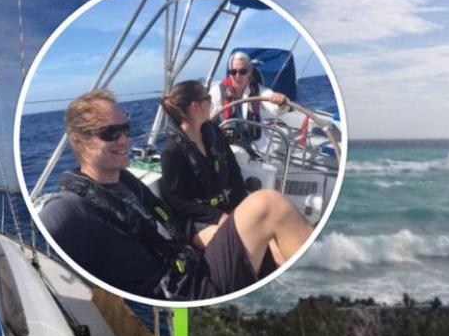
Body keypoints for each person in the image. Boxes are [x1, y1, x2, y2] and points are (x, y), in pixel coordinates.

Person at [39, 89, 312, 301]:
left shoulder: (126, 180)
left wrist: (205, 232)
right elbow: (42, 250)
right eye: (110, 133)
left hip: (190, 262)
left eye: (126, 130)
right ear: (78, 141)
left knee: (274, 254)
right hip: (185, 292)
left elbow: (168, 220)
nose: (124, 140)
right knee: (269, 205)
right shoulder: (68, 209)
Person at [160, 79, 311, 262]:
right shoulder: (172, 152)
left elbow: (234, 175)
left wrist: (241, 206)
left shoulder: (213, 133)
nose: (211, 102)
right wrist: (219, 216)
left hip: (228, 207)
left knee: (272, 233)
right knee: (247, 243)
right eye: (207, 98)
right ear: (195, 106)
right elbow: (176, 201)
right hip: (200, 221)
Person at [209, 50, 289, 153]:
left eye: (243, 71)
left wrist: (280, 102)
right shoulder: (217, 92)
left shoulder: (259, 91)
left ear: (250, 72)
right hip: (228, 147)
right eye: (233, 72)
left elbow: (274, 106)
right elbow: (206, 117)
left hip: (256, 147)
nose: (238, 76)